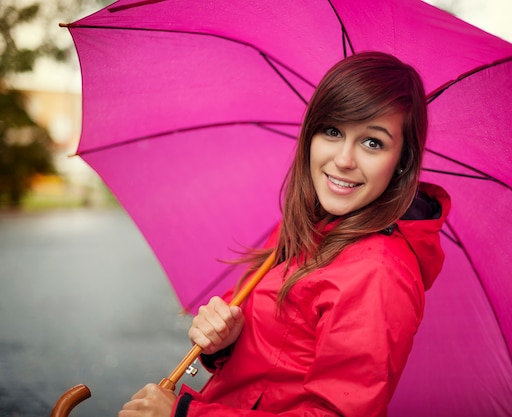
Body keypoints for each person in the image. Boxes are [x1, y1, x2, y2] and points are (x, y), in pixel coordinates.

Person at [119, 51, 450, 417]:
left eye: (373, 142)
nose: (343, 159)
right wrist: (227, 339)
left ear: (402, 161)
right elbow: (275, 350)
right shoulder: (307, 224)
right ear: (311, 134)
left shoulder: (378, 273)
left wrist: (184, 414)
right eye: (333, 131)